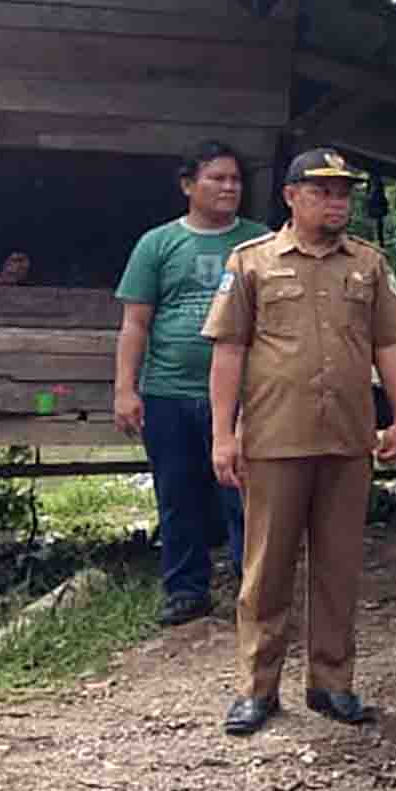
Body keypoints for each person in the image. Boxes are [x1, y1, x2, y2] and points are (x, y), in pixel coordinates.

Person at [204, 148, 396, 736]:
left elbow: (388, 345)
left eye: (343, 192)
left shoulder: (369, 265)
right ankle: (257, 688)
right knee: (266, 568)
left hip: (348, 438)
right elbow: (228, 351)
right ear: (292, 196)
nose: (337, 202)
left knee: (339, 566)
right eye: (323, 191)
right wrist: (223, 435)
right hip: (275, 436)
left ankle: (332, 682)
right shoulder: (251, 263)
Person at [114, 143, 272, 626]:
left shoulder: (259, 243)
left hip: (245, 395)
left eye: (235, 180)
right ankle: (186, 591)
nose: (229, 188)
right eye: (216, 179)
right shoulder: (157, 244)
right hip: (168, 391)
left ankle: (258, 594)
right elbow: (136, 322)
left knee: (245, 493)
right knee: (177, 493)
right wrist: (126, 388)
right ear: (188, 186)